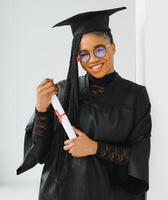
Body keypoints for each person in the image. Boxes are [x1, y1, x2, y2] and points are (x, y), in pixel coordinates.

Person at [16, 6, 152, 200]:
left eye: (99, 49)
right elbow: (40, 152)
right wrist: (41, 108)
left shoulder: (135, 96)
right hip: (62, 192)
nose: (93, 59)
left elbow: (138, 157)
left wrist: (94, 148)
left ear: (113, 47)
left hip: (112, 194)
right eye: (84, 54)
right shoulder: (61, 92)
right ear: (77, 58)